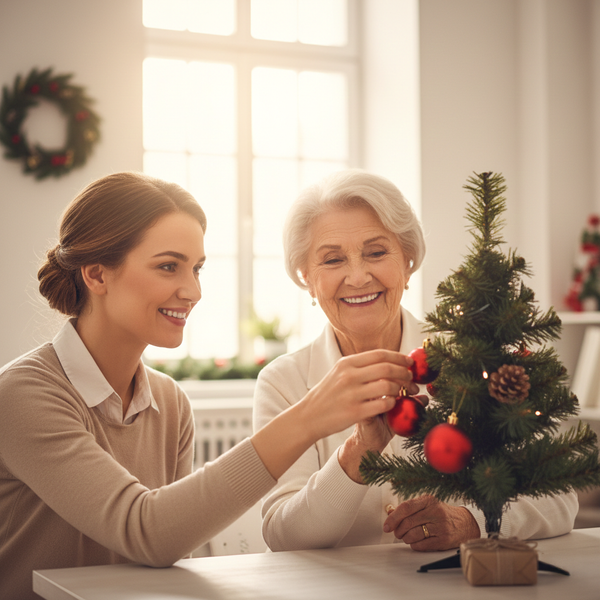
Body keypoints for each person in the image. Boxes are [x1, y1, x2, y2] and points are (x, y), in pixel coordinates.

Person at [0, 172, 408, 600]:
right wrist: (308, 417)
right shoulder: (23, 395)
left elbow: (170, 560)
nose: (192, 290)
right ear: (98, 276)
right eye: (168, 266)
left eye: (196, 269)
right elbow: (146, 530)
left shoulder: (169, 403)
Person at [253, 169, 578, 552]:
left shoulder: (473, 358)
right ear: (307, 278)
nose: (357, 277)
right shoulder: (283, 382)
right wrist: (358, 452)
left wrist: (470, 522)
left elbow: (560, 498)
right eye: (332, 260)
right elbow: (284, 536)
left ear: (407, 262)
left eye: (376, 253)